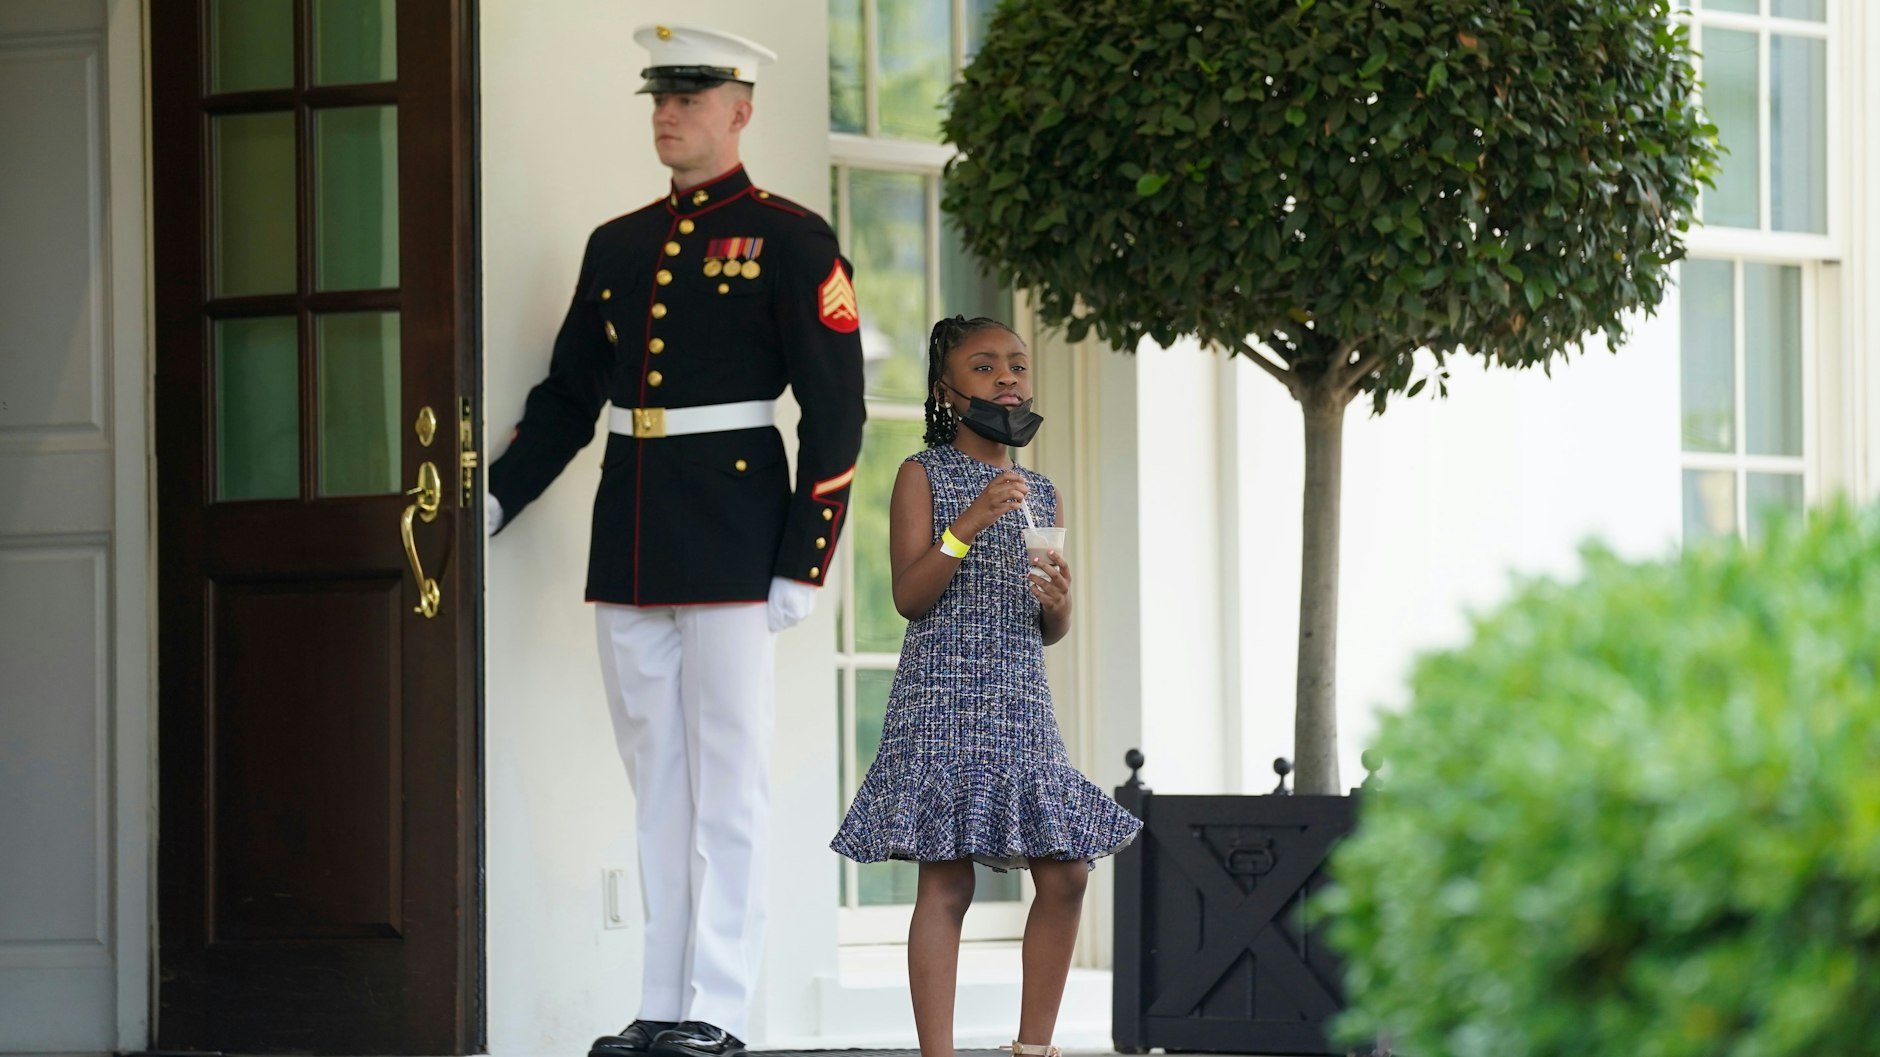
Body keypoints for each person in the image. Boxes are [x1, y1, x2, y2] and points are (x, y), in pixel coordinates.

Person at [484, 23, 865, 1057]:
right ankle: (661, 1001)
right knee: (657, 779)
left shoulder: (790, 238)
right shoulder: (617, 244)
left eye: (690, 98)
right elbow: (569, 397)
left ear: (739, 112)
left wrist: (803, 556)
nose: (668, 113)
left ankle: (719, 1005)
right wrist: (494, 499)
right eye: (659, 96)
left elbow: (835, 413)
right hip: (636, 537)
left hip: (741, 541)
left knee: (729, 781)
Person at [830, 316, 1140, 1057]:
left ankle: (1033, 1048)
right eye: (984, 366)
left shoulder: (1044, 492)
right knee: (949, 882)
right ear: (947, 389)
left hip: (1020, 698)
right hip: (941, 697)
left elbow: (1047, 624)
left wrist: (1060, 603)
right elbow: (909, 595)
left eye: (1018, 365)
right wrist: (967, 521)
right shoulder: (923, 474)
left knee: (1065, 871)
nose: (1007, 378)